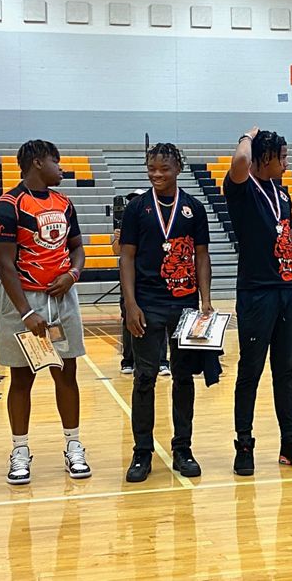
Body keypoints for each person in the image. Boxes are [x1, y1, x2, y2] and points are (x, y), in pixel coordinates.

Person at [0, 139, 90, 484]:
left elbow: (77, 249)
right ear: (36, 163)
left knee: (66, 374)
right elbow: (3, 264)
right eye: (55, 161)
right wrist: (24, 312)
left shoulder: (65, 203)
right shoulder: (8, 206)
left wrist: (72, 274)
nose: (60, 168)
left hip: (61, 298)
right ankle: (20, 450)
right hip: (23, 300)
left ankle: (73, 446)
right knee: (21, 379)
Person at [225, 126, 292, 475]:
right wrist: (247, 136)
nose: (287, 164)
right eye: (283, 157)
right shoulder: (241, 188)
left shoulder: (282, 194)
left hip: (285, 291)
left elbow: (290, 240)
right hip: (256, 293)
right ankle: (244, 444)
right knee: (250, 371)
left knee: (286, 371)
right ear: (265, 157)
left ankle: (289, 443)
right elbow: (239, 161)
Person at [119, 143, 213, 482]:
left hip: (185, 305)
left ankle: (182, 448)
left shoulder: (194, 208)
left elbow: (202, 256)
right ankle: (142, 452)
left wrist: (205, 301)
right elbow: (126, 257)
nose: (157, 174)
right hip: (147, 304)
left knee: (184, 377)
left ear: (178, 169)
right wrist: (130, 304)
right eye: (152, 168)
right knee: (144, 378)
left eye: (164, 169)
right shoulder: (136, 208)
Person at [112, 190, 170, 377]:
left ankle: (161, 361)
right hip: (130, 280)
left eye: (136, 200)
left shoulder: (154, 222)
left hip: (151, 278)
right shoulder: (123, 226)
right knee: (128, 318)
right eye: (131, 201)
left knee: (159, 321)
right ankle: (128, 360)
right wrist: (119, 237)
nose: (133, 203)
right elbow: (116, 251)